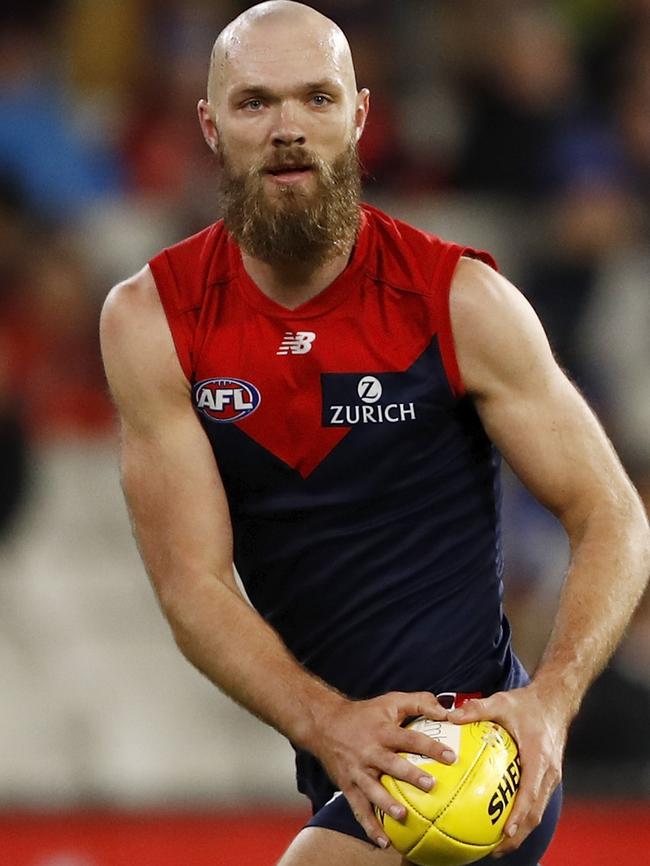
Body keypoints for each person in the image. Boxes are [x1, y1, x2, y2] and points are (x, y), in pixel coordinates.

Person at [99, 3, 650, 865]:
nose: (288, 128)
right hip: (345, 762)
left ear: (359, 114)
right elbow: (192, 585)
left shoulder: (460, 301)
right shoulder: (152, 320)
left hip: (466, 764)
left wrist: (551, 701)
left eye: (316, 99)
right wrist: (328, 724)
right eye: (255, 103)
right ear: (210, 125)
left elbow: (614, 516)